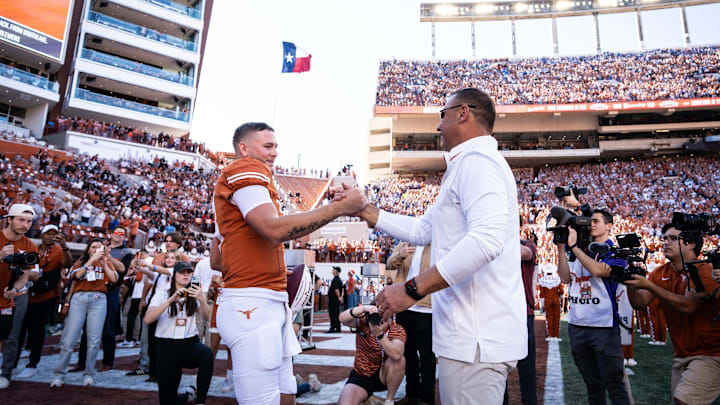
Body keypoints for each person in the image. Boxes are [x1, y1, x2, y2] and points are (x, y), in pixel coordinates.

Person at [355, 88, 527, 404]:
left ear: (463, 113)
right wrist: (366, 210)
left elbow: (485, 241)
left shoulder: (478, 162)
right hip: (468, 336)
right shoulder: (467, 164)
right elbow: (423, 228)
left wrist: (410, 290)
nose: (438, 126)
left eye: (442, 115)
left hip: (475, 338)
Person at [213, 122, 366, 404]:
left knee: (286, 393)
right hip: (253, 303)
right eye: (268, 146)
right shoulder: (244, 168)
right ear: (244, 148)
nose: (274, 153)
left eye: (276, 147)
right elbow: (273, 229)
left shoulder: (238, 189)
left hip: (263, 301)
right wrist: (339, 208)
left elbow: (216, 259)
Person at [625, 223, 720, 404]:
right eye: (665, 238)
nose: (665, 243)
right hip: (682, 352)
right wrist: (629, 284)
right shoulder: (661, 272)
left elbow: (689, 306)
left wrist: (650, 286)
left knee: (683, 401)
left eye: (673, 239)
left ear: (691, 244)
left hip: (711, 352)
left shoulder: (704, 269)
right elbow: (640, 303)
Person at [556, 208, 631, 405]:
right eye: (590, 221)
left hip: (604, 326)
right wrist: (561, 248)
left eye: (597, 221)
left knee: (614, 384)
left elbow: (598, 270)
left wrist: (574, 248)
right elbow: (565, 278)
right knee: (592, 384)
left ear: (609, 226)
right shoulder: (580, 250)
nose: (592, 224)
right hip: (577, 325)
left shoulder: (615, 251)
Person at [51, 238, 118, 387]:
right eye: (93, 247)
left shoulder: (107, 263)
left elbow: (114, 279)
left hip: (99, 299)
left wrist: (104, 263)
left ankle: (89, 373)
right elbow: (76, 275)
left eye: (99, 247)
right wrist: (91, 261)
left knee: (94, 340)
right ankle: (59, 374)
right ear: (88, 249)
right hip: (79, 298)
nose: (96, 249)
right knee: (69, 339)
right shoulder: (81, 262)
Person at [144, 261, 213, 405]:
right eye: (182, 272)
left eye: (188, 273)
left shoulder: (194, 292)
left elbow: (206, 317)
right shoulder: (162, 292)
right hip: (166, 345)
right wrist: (170, 300)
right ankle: (187, 396)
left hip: (189, 343)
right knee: (167, 400)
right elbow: (148, 319)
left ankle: (201, 401)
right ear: (174, 275)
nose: (185, 275)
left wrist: (202, 299)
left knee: (207, 354)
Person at [16, 225, 72, 378]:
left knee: (37, 330)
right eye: (48, 233)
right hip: (27, 293)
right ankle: (12, 361)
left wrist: (65, 246)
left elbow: (67, 264)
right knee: (19, 329)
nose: (51, 237)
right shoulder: (33, 248)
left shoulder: (59, 251)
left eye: (54, 234)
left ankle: (33, 362)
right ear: (42, 235)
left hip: (46, 294)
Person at [386, 242, 435, 405]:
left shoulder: (436, 244)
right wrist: (401, 255)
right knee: (408, 354)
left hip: (427, 308)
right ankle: (412, 394)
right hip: (403, 306)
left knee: (427, 355)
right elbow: (389, 264)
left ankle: (427, 398)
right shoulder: (404, 244)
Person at [0, 204, 39, 389]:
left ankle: (5, 373)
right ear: (9, 219)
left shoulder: (30, 245)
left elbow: (26, 274)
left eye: (29, 221)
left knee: (12, 335)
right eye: (21, 220)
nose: (25, 225)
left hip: (14, 295)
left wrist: (15, 289)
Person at [337, 304, 406, 405]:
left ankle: (389, 400)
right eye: (378, 314)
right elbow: (342, 318)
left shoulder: (396, 329)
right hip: (362, 375)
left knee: (399, 361)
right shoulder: (363, 322)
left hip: (384, 375)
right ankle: (368, 399)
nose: (379, 318)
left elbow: (397, 355)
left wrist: (380, 335)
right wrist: (363, 308)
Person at [505, 235, 538, 405]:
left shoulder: (528, 244)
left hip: (523, 312)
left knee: (526, 367)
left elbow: (524, 253)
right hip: (500, 312)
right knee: (498, 364)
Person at [327, 266, 344, 333]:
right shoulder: (339, 279)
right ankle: (337, 327)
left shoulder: (335, 280)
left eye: (333, 270)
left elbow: (336, 289)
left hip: (333, 299)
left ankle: (333, 327)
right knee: (336, 313)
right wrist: (341, 296)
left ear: (336, 272)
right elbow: (342, 288)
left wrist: (339, 296)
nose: (332, 271)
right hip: (336, 299)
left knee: (333, 313)